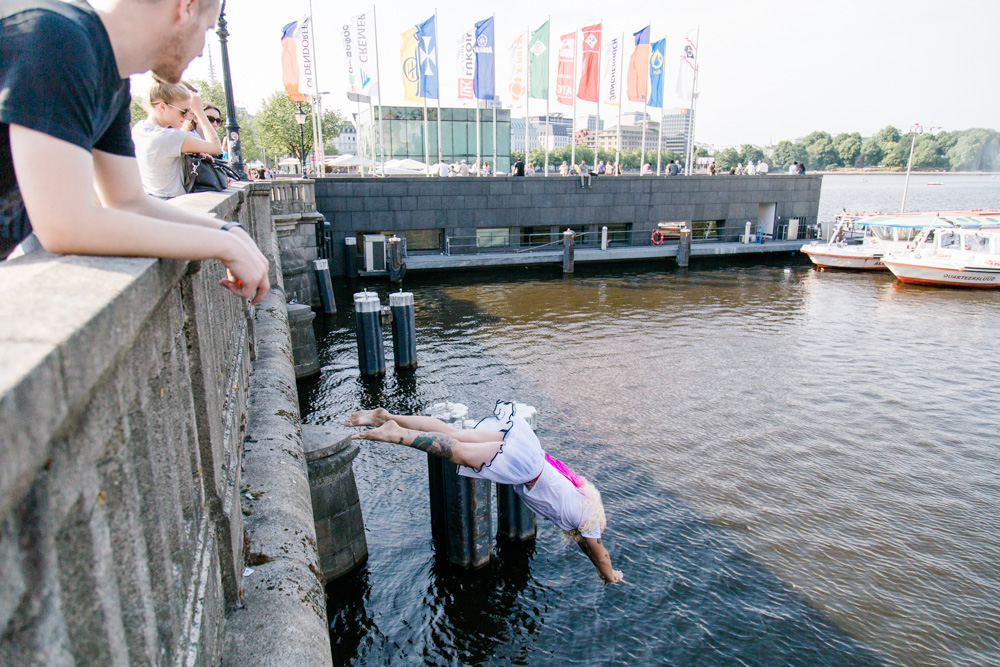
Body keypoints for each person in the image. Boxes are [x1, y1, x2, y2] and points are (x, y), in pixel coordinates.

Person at [1, 0, 269, 304]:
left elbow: (128, 201)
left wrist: (230, 231)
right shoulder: (59, 40)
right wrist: (224, 246)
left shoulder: (106, 72)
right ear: (186, 8)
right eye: (207, 29)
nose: (198, 51)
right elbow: (64, 224)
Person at [346, 402, 624, 585]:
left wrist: (599, 572)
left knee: (452, 433)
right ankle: (395, 433)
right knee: (458, 453)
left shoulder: (581, 503)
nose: (594, 538)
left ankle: (389, 417)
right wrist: (611, 575)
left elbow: (589, 549)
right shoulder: (590, 520)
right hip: (524, 466)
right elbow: (600, 553)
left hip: (527, 452)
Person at [132, 80, 223, 199]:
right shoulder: (169, 136)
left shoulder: (138, 129)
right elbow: (216, 147)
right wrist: (199, 112)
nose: (186, 117)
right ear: (163, 106)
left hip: (151, 201)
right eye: (183, 111)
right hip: (172, 203)